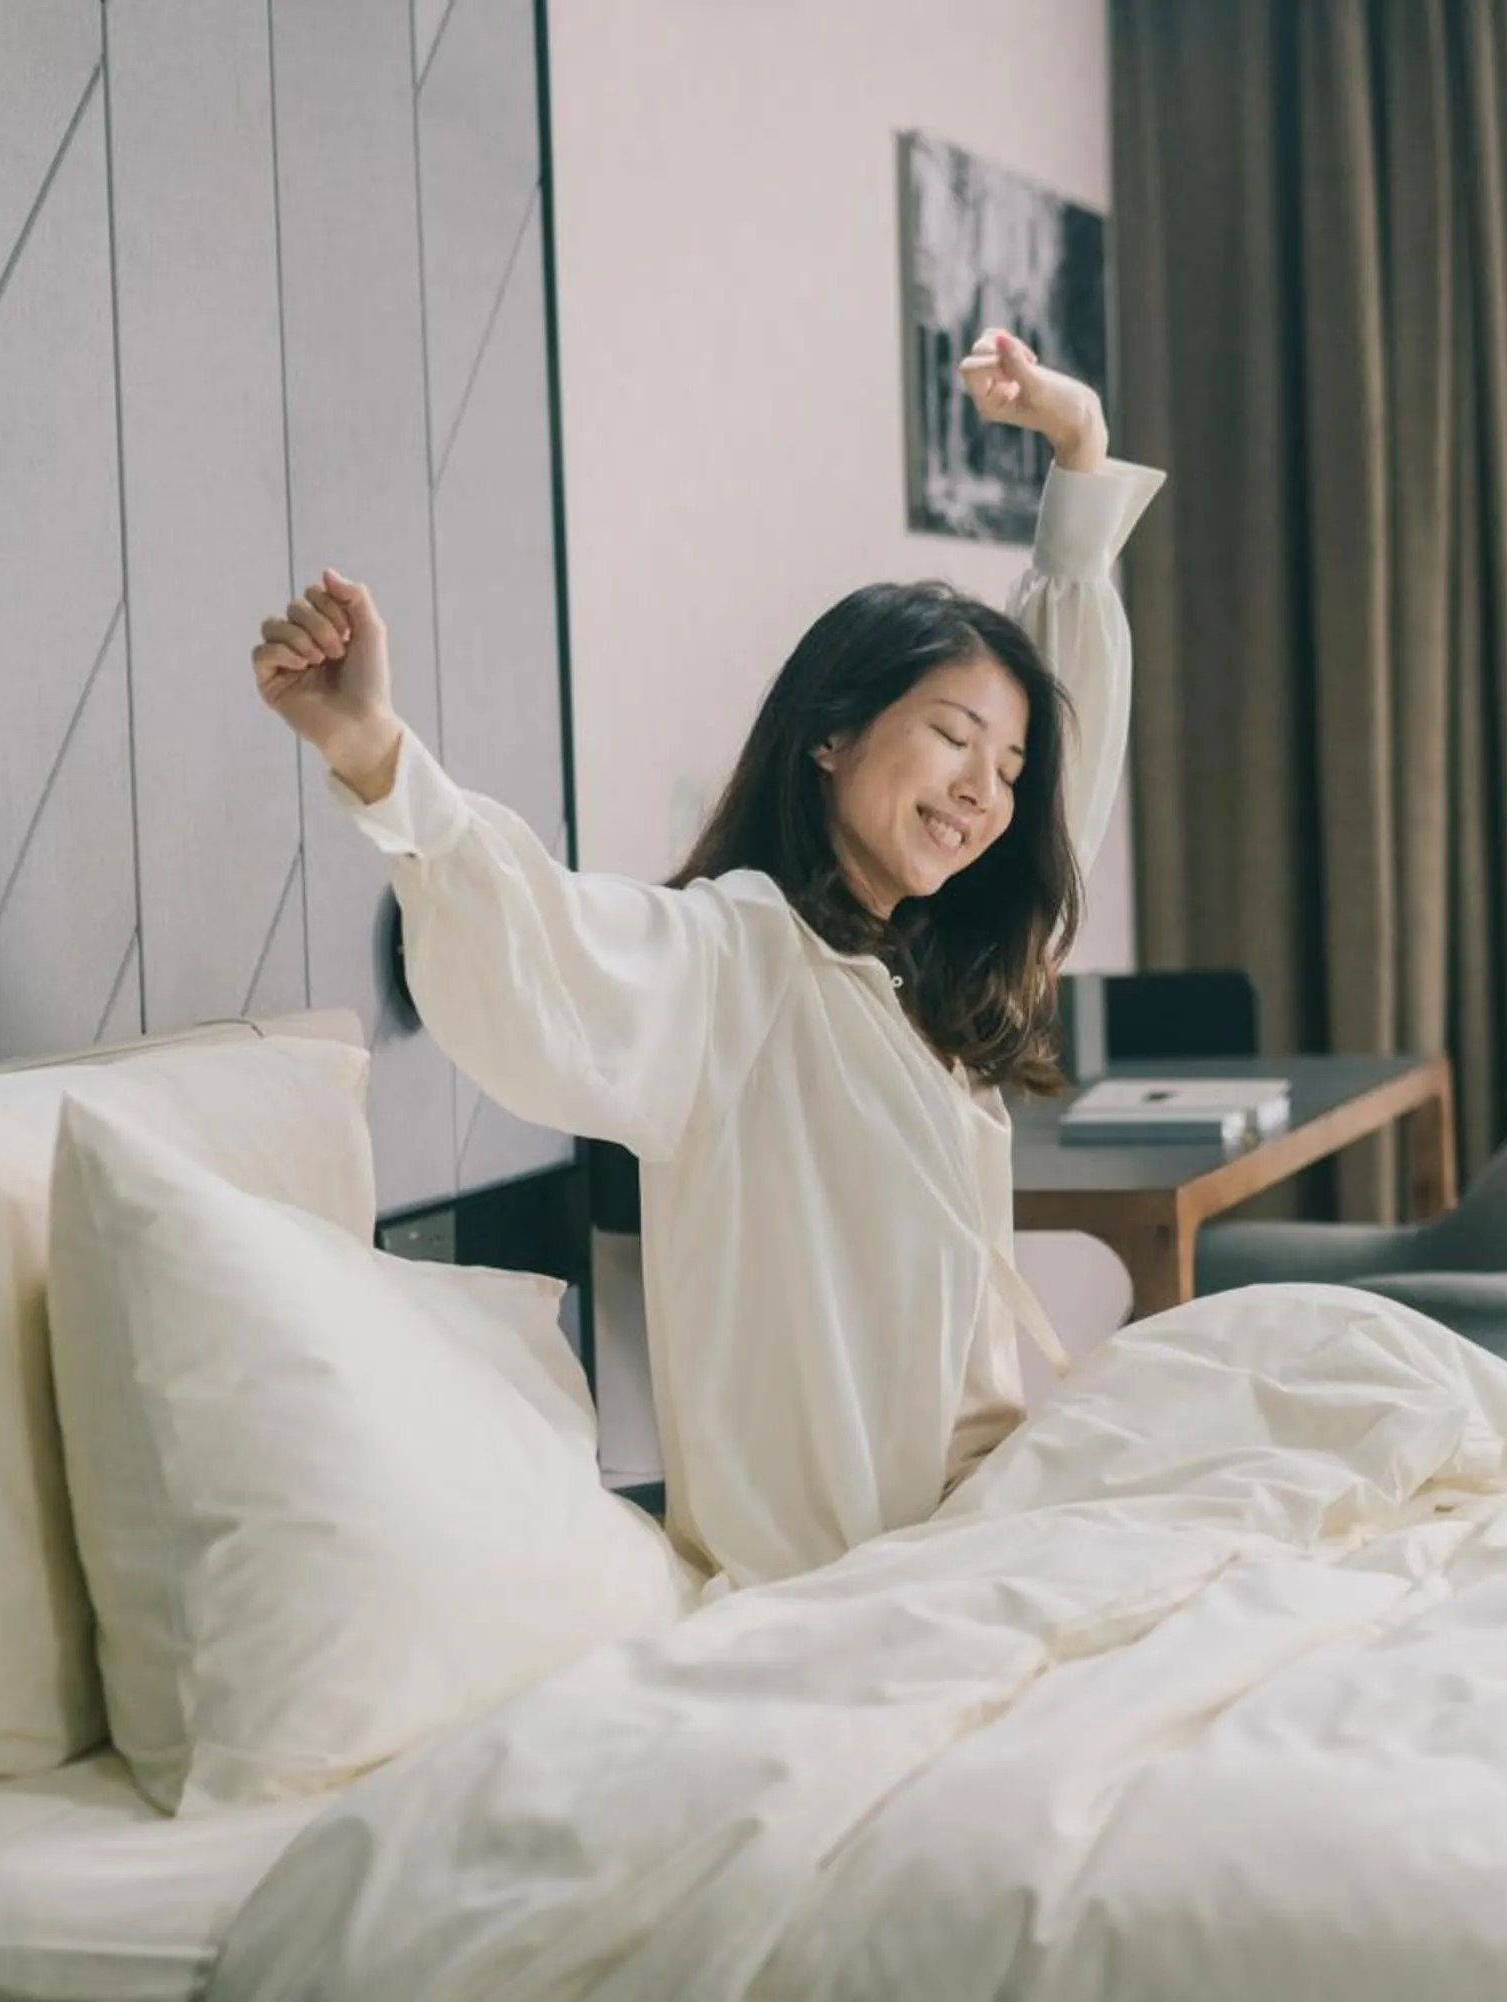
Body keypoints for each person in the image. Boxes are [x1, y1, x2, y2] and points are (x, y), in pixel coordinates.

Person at [250, 331, 1163, 1586]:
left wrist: (1080, 454)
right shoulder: (735, 963)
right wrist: (372, 752)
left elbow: (1066, 779)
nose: (982, 791)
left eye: (1004, 770)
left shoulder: (933, 977)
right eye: (954, 737)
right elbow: (538, 936)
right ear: (831, 736)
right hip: (858, 1574)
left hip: (986, 1519)